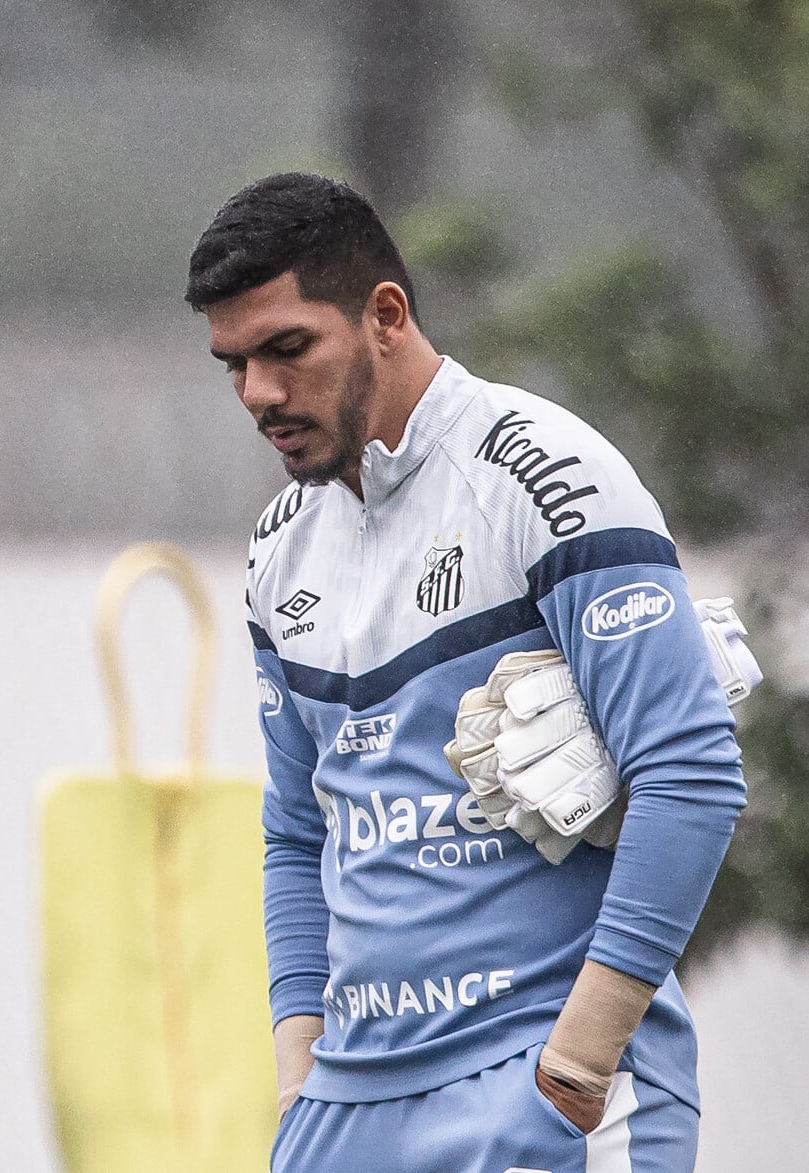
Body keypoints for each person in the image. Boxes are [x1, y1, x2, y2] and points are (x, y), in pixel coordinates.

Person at [189, 172, 746, 1171]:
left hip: (538, 1088)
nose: (258, 393)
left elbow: (690, 774)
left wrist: (576, 1065)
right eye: (233, 363)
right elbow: (296, 828)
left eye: (286, 349)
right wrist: (299, 1076)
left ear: (385, 316)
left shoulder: (545, 476)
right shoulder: (277, 548)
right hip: (348, 1112)